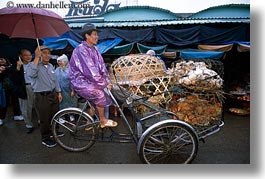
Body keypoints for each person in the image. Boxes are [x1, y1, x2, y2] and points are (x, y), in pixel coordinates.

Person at [69, 23, 117, 128]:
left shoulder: (95, 49)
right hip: (80, 81)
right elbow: (91, 71)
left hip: (90, 80)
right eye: (94, 34)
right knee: (100, 94)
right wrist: (104, 84)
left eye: (97, 34)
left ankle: (88, 122)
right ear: (87, 36)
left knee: (99, 98)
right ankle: (103, 120)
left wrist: (107, 80)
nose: (97, 37)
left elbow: (102, 67)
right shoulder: (81, 49)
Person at [28, 45, 62, 148]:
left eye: (48, 53)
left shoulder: (51, 66)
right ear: (39, 53)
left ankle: (54, 132)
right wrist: (37, 58)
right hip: (42, 96)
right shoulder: (33, 65)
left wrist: (59, 92)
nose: (47, 55)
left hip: (53, 94)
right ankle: (46, 138)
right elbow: (31, 74)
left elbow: (55, 80)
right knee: (44, 118)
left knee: (55, 115)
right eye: (44, 53)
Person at [15, 49, 36, 133]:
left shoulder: (34, 64)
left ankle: (40, 121)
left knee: (38, 106)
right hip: (24, 88)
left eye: (30, 55)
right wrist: (18, 68)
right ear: (21, 56)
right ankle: (29, 125)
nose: (28, 57)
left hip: (35, 87)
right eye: (26, 55)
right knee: (25, 108)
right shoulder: (17, 65)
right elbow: (15, 80)